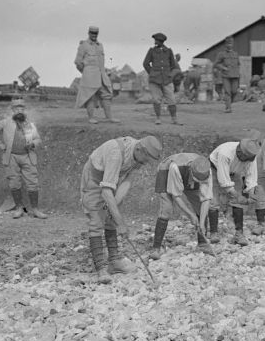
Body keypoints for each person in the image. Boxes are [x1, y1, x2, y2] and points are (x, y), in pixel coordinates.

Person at [80, 135, 163, 283]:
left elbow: (127, 182)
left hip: (112, 179)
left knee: (111, 217)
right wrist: (121, 224)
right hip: (94, 178)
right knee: (96, 221)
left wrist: (115, 206)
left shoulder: (138, 156)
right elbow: (105, 191)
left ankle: (114, 261)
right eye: (146, 159)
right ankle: (101, 268)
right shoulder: (116, 153)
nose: (145, 163)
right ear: (139, 150)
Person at [0, 98, 48, 219]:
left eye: (22, 109)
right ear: (12, 110)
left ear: (25, 110)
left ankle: (35, 210)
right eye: (16, 109)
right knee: (14, 182)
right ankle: (19, 208)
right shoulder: (5, 122)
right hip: (11, 157)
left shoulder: (30, 124)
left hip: (28, 156)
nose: (19, 111)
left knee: (33, 183)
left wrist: (33, 144)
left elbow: (38, 139)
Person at [149, 154, 214, 260]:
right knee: (166, 208)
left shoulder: (206, 170)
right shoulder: (175, 167)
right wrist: (190, 215)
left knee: (199, 205)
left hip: (191, 176)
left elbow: (206, 198)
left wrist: (201, 222)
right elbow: (176, 195)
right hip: (167, 170)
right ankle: (156, 247)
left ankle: (202, 243)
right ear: (192, 173)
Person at [207, 138, 263, 246]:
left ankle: (239, 234)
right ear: (239, 152)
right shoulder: (225, 153)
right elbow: (224, 182)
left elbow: (251, 176)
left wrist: (252, 193)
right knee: (213, 201)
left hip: (234, 172)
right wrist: (238, 196)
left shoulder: (251, 156)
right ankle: (213, 233)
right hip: (214, 168)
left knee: (237, 203)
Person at [74, 26, 120, 124]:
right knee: (90, 96)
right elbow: (78, 62)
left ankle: (109, 117)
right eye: (92, 33)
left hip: (101, 75)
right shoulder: (83, 45)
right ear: (89, 33)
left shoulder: (100, 45)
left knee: (106, 94)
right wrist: (86, 72)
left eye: (96, 34)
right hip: (89, 76)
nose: (94, 35)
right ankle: (91, 118)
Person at [143, 32, 182, 125]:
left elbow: (173, 65)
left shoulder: (168, 51)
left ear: (162, 41)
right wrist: (152, 73)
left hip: (167, 80)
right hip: (154, 80)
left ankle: (174, 119)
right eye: (155, 41)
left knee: (172, 99)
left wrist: (170, 75)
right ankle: (158, 118)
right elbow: (145, 63)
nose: (155, 43)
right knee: (156, 99)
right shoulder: (151, 51)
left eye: (157, 41)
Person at [214, 36, 240, 113]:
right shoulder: (221, 54)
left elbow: (238, 64)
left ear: (233, 44)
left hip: (235, 75)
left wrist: (239, 74)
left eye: (231, 43)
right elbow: (216, 64)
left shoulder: (236, 54)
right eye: (228, 43)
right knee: (227, 91)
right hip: (226, 76)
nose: (229, 45)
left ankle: (229, 102)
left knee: (234, 91)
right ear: (225, 44)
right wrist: (223, 68)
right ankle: (228, 107)